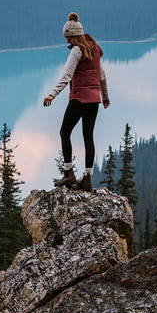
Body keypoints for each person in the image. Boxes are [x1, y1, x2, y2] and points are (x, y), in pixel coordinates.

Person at [43, 12, 109, 192]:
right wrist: (105, 97)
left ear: (72, 36)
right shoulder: (94, 49)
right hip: (94, 100)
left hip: (79, 98)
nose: (67, 42)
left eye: (67, 38)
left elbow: (67, 75)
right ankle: (87, 179)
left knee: (64, 132)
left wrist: (52, 95)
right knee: (89, 137)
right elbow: (101, 75)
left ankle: (68, 173)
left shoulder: (76, 51)